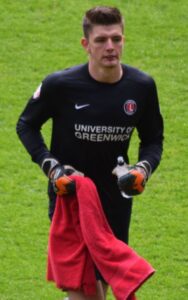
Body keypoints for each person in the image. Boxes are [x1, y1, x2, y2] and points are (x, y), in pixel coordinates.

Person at [16, 6, 163, 300]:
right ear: (86, 44)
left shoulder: (142, 87)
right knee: (83, 292)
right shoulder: (61, 85)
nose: (110, 47)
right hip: (70, 198)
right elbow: (26, 125)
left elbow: (153, 141)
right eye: (101, 40)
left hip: (114, 202)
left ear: (123, 39)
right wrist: (52, 168)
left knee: (101, 289)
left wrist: (141, 171)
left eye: (116, 39)